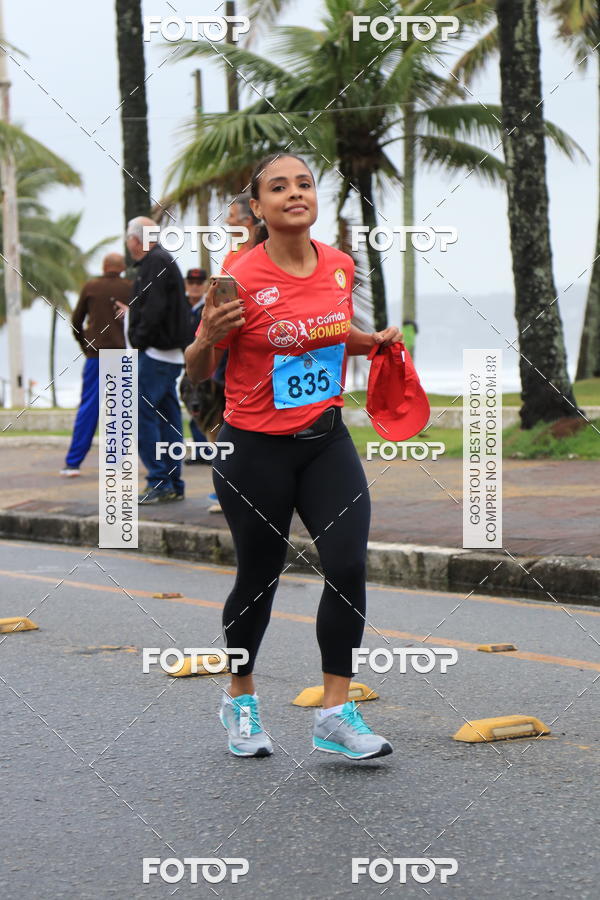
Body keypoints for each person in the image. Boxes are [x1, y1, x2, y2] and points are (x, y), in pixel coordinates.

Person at [185, 153, 402, 760]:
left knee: (348, 565)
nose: (294, 194)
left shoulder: (338, 265)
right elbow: (199, 367)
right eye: (277, 188)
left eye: (303, 184)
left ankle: (335, 713)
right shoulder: (240, 276)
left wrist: (373, 340)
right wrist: (205, 336)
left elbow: (328, 334)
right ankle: (240, 698)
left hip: (325, 441)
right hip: (254, 449)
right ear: (258, 208)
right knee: (259, 579)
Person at [124, 216, 191, 504]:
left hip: (156, 354)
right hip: (169, 354)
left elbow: (154, 308)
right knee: (168, 419)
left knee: (143, 416)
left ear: (135, 240)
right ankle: (173, 481)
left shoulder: (154, 261)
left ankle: (160, 481)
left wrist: (138, 339)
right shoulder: (163, 260)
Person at [60, 253, 131, 477]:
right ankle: (117, 463)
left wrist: (85, 345)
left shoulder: (91, 287)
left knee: (88, 407)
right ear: (122, 268)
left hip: (96, 355)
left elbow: (76, 321)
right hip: (121, 355)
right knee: (119, 409)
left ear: (104, 265)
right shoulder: (130, 288)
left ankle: (73, 463)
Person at [178, 268, 212, 465]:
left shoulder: (210, 305)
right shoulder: (179, 306)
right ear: (186, 284)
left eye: (199, 283)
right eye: (191, 282)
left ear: (205, 285)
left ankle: (208, 450)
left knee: (207, 406)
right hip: (183, 364)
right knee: (193, 407)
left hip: (209, 364)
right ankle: (202, 451)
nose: (195, 286)